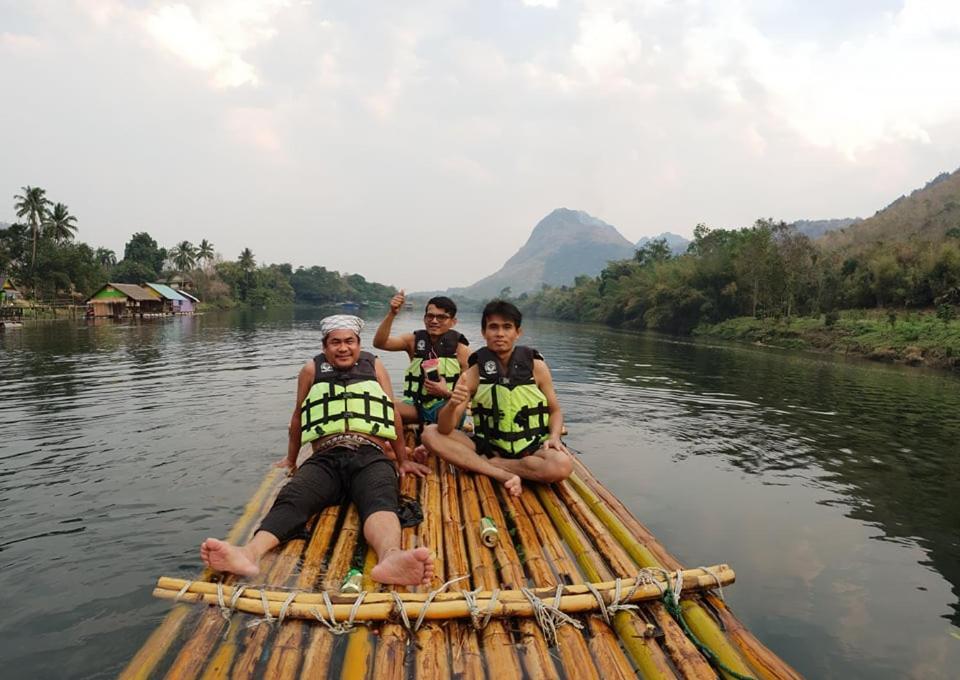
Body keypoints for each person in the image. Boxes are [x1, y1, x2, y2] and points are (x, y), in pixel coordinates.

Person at [200, 315, 435, 586]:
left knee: (381, 498)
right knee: (294, 496)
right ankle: (249, 553)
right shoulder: (311, 370)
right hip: (327, 455)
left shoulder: (375, 364)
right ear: (325, 347)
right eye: (335, 342)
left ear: (359, 344)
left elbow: (390, 411)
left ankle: (390, 557)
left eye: (349, 341)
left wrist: (402, 460)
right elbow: (299, 417)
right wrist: (291, 459)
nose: (343, 348)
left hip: (370, 452)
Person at [421, 300, 572, 496]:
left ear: (518, 332)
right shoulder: (473, 373)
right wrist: (452, 403)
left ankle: (491, 465)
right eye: (493, 327)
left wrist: (554, 437)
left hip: (532, 446)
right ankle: (498, 471)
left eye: (507, 327)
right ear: (484, 333)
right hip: (488, 446)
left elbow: (555, 410)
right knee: (430, 433)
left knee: (561, 466)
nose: (500, 333)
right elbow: (444, 428)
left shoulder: (537, 367)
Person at [373, 291, 470, 426]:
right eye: (430, 316)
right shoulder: (412, 341)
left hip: (444, 407)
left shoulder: (462, 351)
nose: (434, 321)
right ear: (424, 318)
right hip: (414, 406)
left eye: (441, 317)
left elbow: (468, 393)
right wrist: (392, 313)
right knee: (379, 408)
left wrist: (446, 393)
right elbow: (380, 343)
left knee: (453, 412)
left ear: (453, 322)